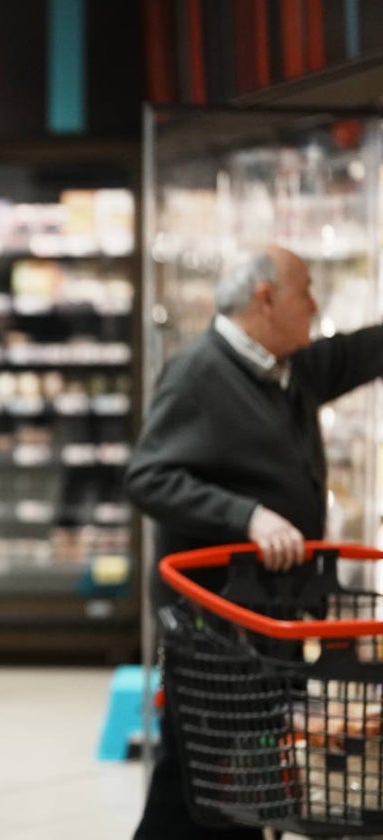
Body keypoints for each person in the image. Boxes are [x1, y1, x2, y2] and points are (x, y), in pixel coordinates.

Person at [125, 245, 383, 839]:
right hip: (212, 614)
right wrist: (248, 517)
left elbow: (355, 352)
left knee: (239, 769)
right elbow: (148, 477)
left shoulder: (290, 368)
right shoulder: (200, 374)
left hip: (267, 613)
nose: (315, 305)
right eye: (306, 291)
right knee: (208, 769)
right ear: (266, 299)